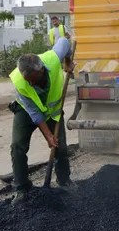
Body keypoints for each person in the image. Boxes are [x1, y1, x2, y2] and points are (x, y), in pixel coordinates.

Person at [9, 36, 75, 203]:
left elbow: (65, 42)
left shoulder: (52, 59)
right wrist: (48, 136)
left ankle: (64, 181)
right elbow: (35, 114)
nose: (29, 84)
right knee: (17, 146)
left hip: (52, 113)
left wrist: (67, 61)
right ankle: (21, 189)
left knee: (60, 147)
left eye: (32, 80)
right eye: (27, 81)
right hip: (26, 111)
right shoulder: (20, 81)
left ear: (40, 71)